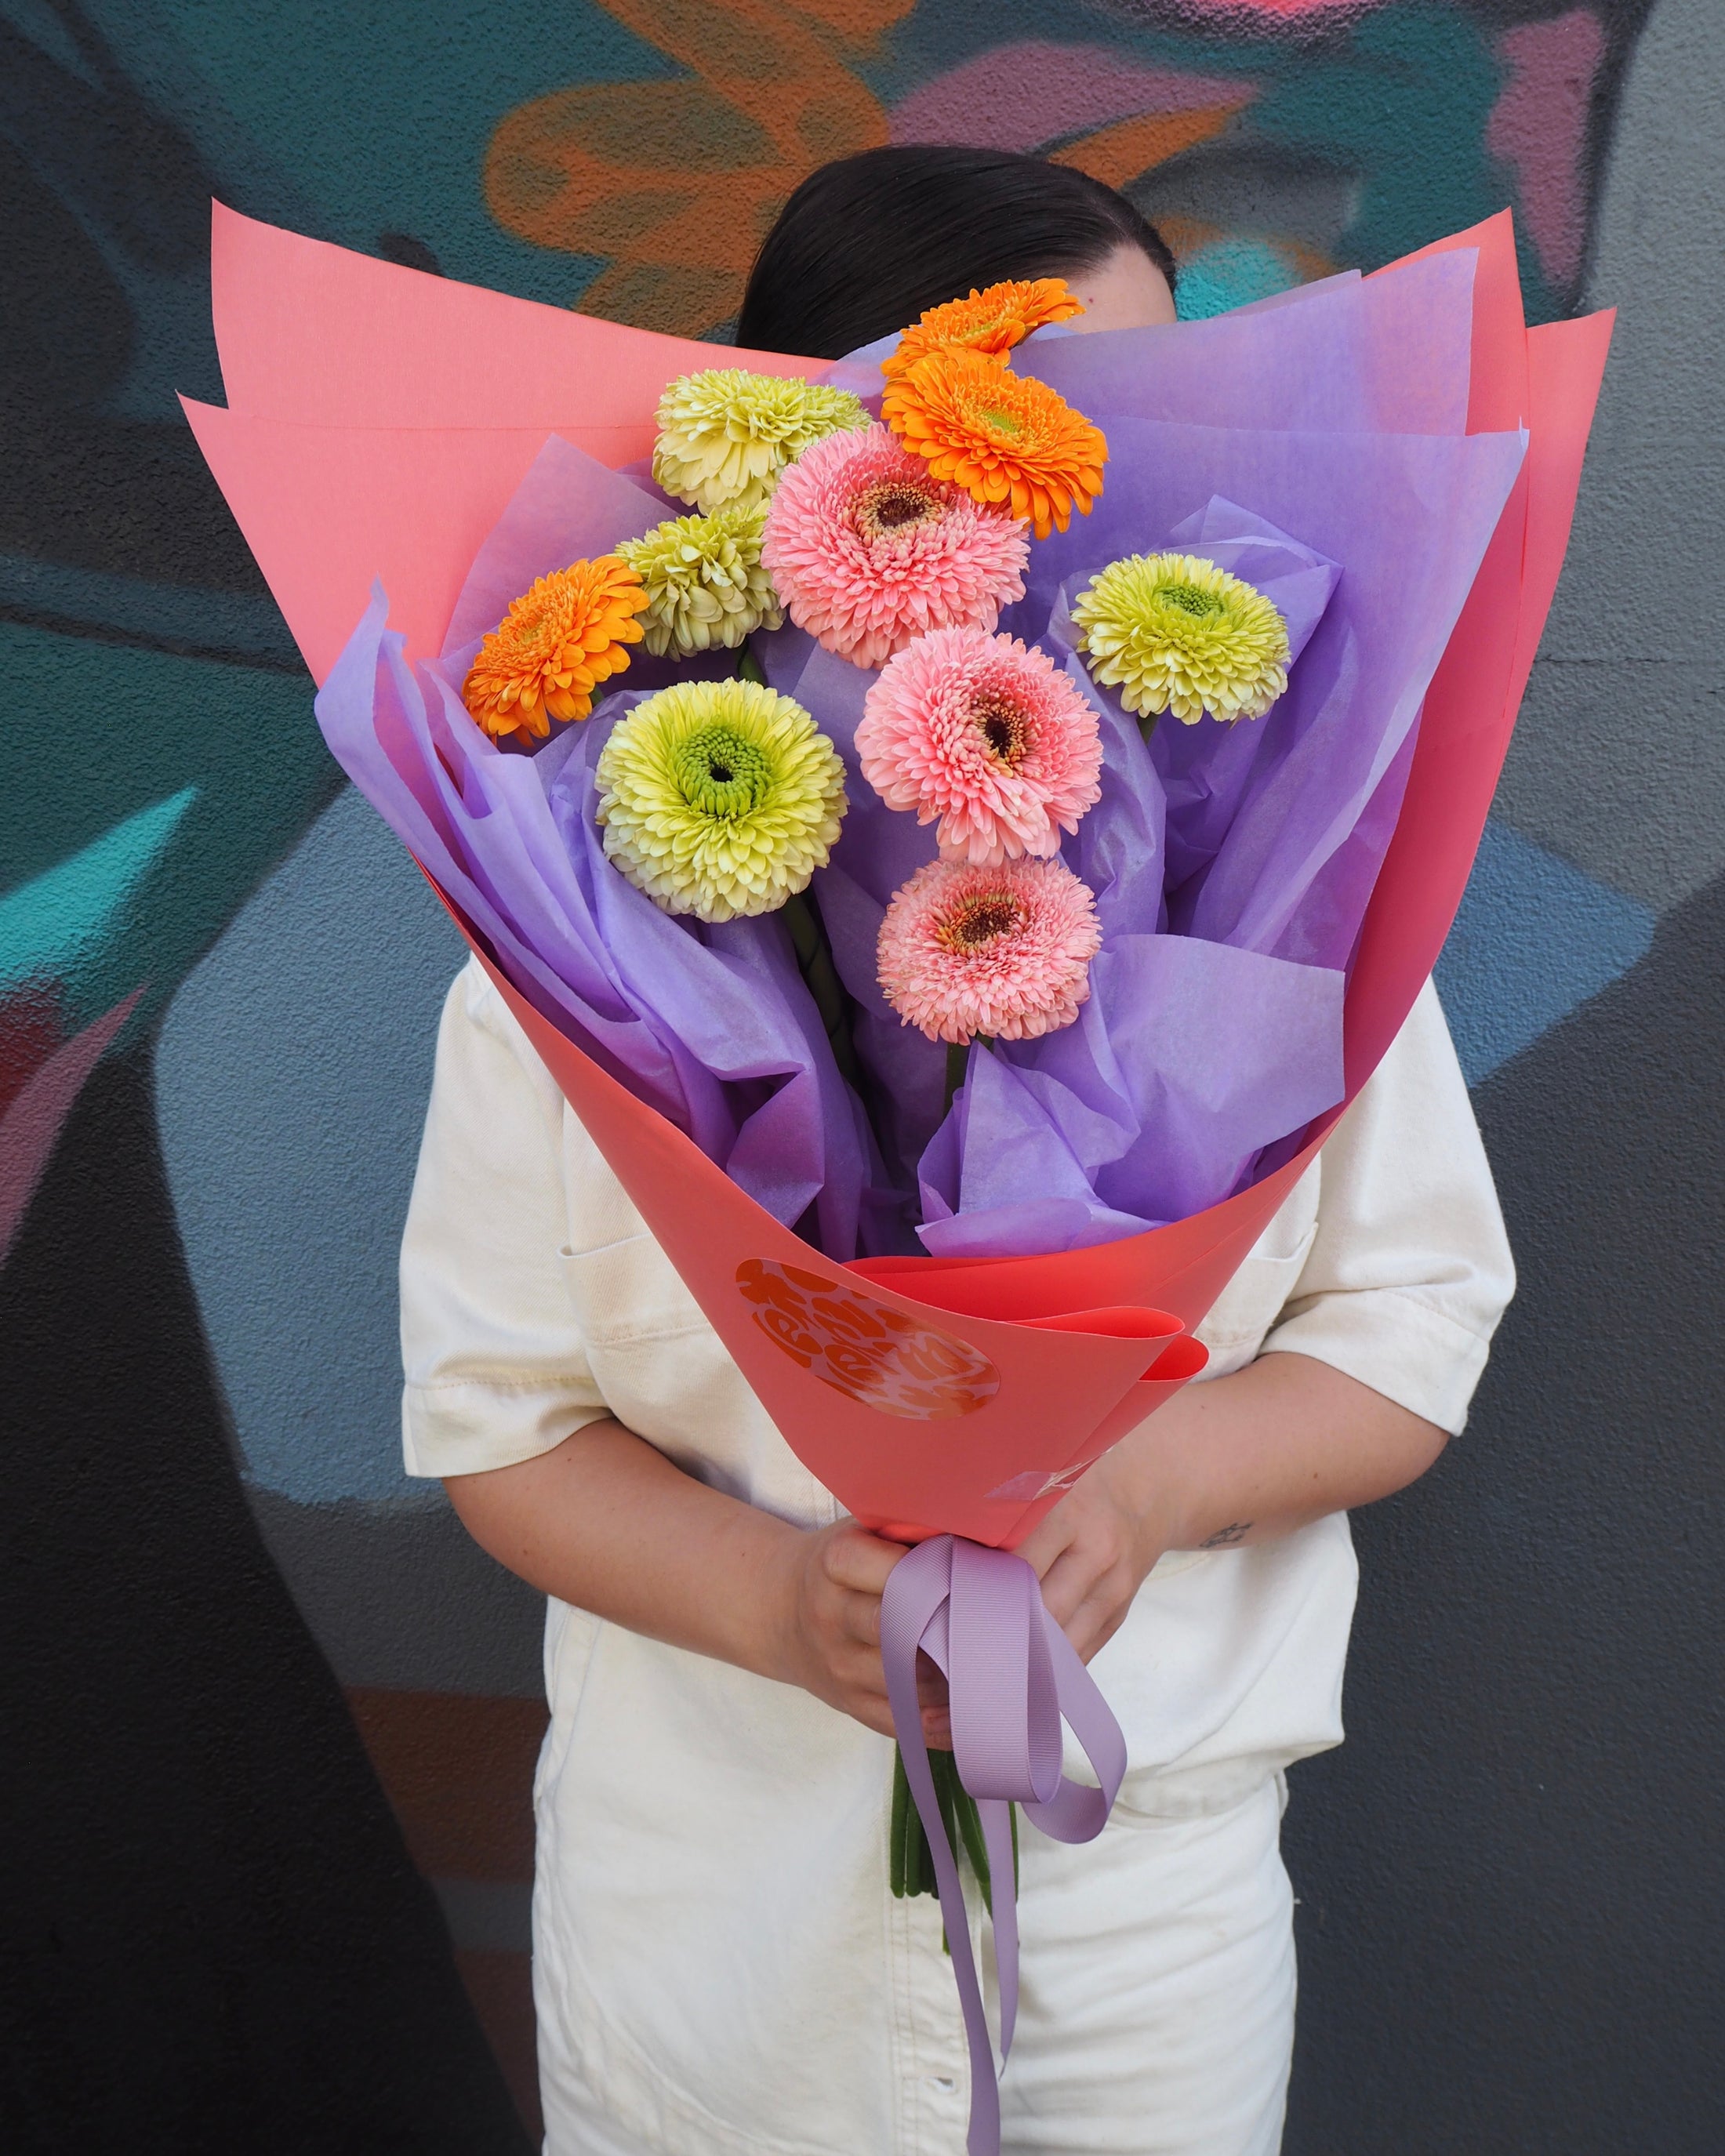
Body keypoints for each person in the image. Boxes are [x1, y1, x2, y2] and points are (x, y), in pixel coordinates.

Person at [401, 147, 1515, 2156]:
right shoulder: (578, 932)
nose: (1096, 494)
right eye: (1029, 434)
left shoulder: (1307, 902)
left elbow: (1410, 1319)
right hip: (710, 1939)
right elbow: (497, 1421)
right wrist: (772, 1599)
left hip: (1135, 1925)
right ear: (806, 478)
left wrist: (1152, 1481)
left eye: (1153, 424)